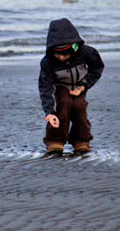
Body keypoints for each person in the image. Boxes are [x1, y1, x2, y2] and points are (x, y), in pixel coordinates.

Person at [39, 15, 104, 156]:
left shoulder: (86, 52)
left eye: (65, 54)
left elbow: (97, 68)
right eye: (58, 54)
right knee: (63, 104)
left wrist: (84, 85)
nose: (61, 58)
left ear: (73, 48)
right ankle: (55, 140)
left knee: (79, 107)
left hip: (79, 85)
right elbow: (45, 86)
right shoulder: (48, 61)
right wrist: (49, 111)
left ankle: (81, 140)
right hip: (60, 86)